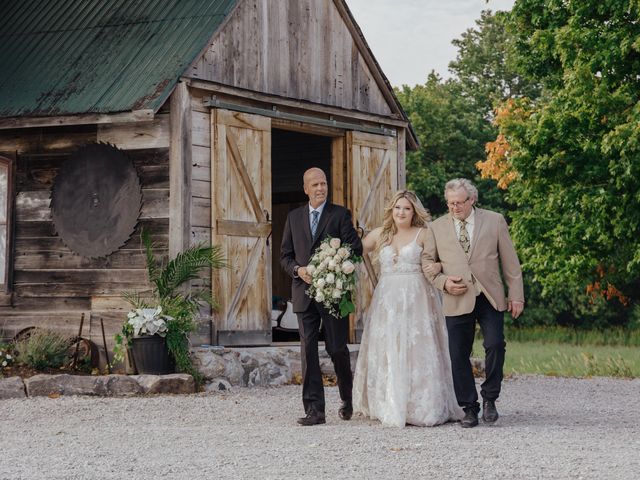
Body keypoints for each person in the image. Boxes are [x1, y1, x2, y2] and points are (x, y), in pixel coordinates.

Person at [353, 190, 463, 427]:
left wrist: (439, 265)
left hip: (417, 299)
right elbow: (354, 251)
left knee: (417, 348)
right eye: (397, 208)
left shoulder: (424, 234)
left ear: (414, 212)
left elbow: (450, 255)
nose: (401, 212)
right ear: (391, 211)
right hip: (387, 301)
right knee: (388, 346)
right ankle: (388, 403)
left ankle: (420, 405)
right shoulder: (380, 234)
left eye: (406, 208)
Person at [422, 178, 524, 428]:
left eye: (459, 203)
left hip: (490, 294)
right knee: (458, 354)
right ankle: (469, 407)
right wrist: (444, 282)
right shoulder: (436, 227)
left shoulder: (495, 220)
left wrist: (516, 295)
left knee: (495, 344)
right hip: (457, 296)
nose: (454, 207)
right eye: (450, 203)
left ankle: (490, 398)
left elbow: (510, 262)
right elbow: (427, 264)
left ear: (472, 200)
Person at [281, 167, 363, 426]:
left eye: (323, 183)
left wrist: (335, 263)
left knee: (336, 348)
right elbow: (285, 256)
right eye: (315, 184)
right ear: (305, 188)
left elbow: (355, 248)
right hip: (303, 294)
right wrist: (297, 270)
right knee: (308, 350)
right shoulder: (293, 218)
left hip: (333, 293)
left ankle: (347, 399)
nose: (320, 188)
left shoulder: (339, 214)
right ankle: (314, 410)